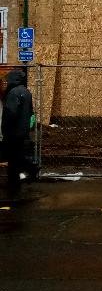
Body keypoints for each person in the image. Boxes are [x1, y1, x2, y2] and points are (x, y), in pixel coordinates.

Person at [3, 68, 36, 199]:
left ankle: (17, 178)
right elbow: (30, 111)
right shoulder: (26, 92)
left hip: (13, 130)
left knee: (13, 156)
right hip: (23, 129)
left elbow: (11, 112)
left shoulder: (13, 93)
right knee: (16, 155)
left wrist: (5, 128)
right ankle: (15, 179)